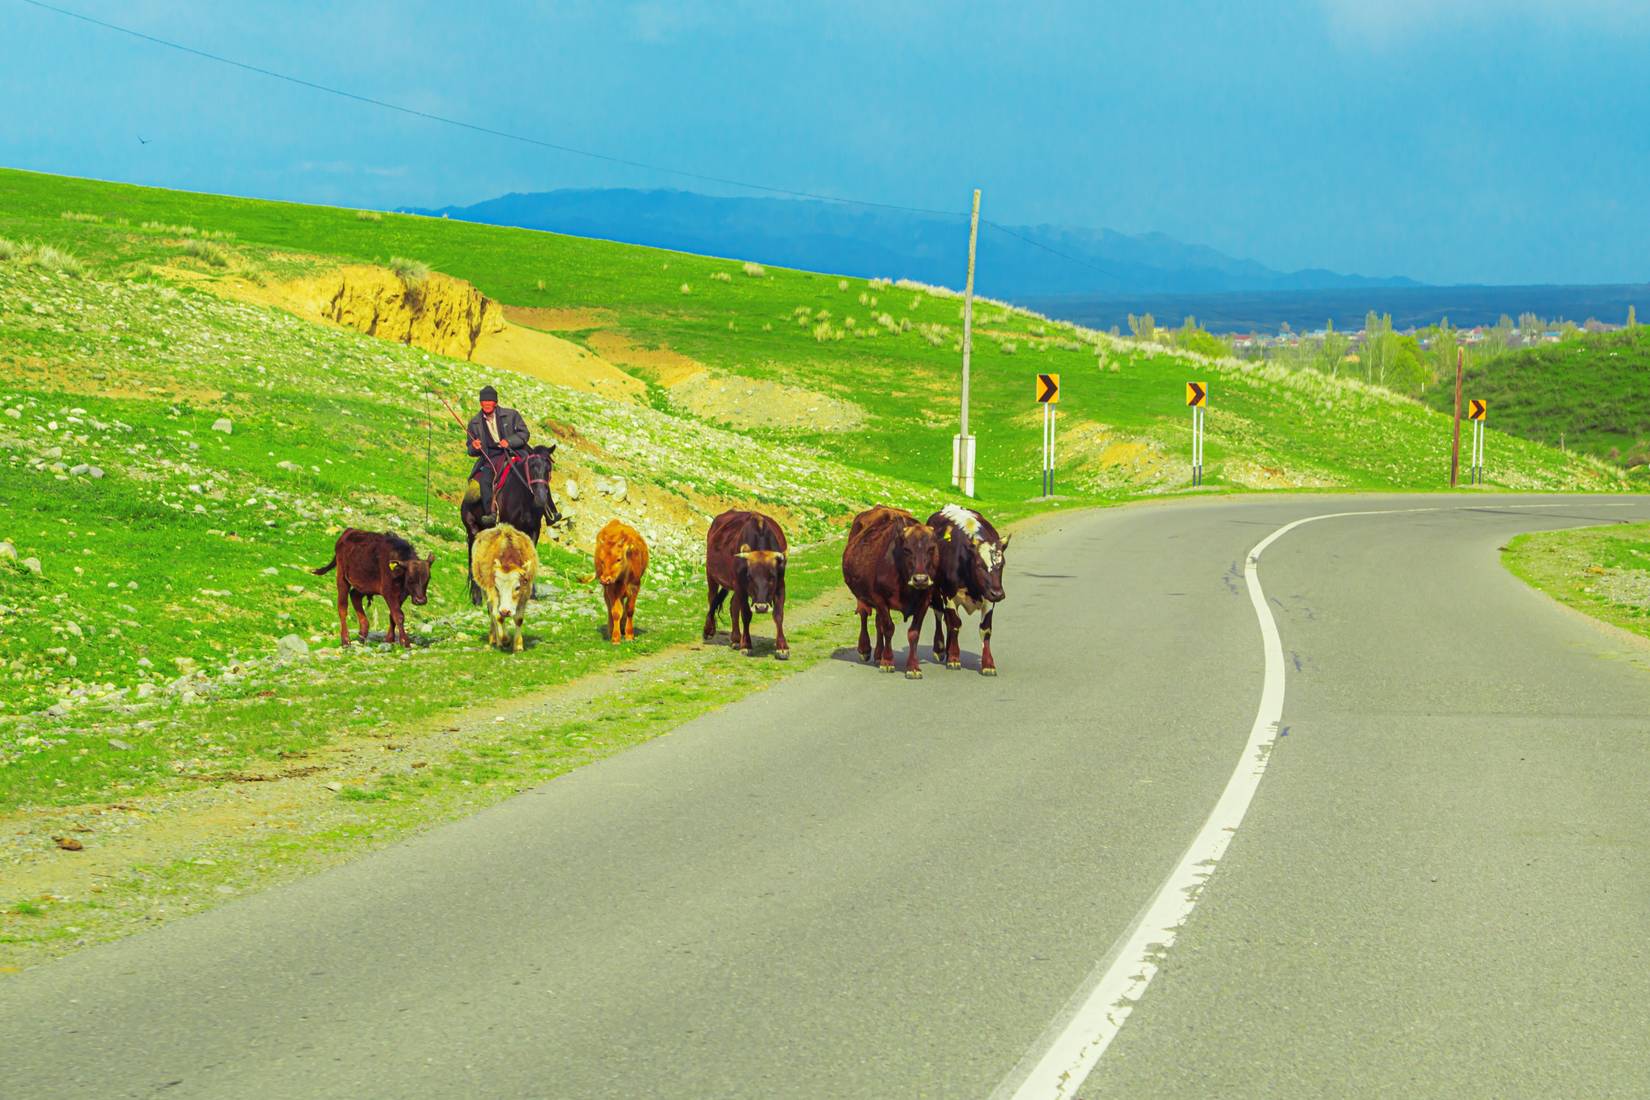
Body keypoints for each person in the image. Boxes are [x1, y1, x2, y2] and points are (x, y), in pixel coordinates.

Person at [466, 385, 531, 526]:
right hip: (492, 457)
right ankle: (490, 513)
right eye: (484, 401)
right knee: (484, 481)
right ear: (480, 403)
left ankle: (549, 510)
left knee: (535, 473)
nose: (487, 403)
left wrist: (509, 441)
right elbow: (470, 449)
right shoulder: (474, 423)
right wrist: (475, 447)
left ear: (495, 402)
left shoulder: (512, 415)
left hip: (514, 452)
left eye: (490, 401)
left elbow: (524, 434)